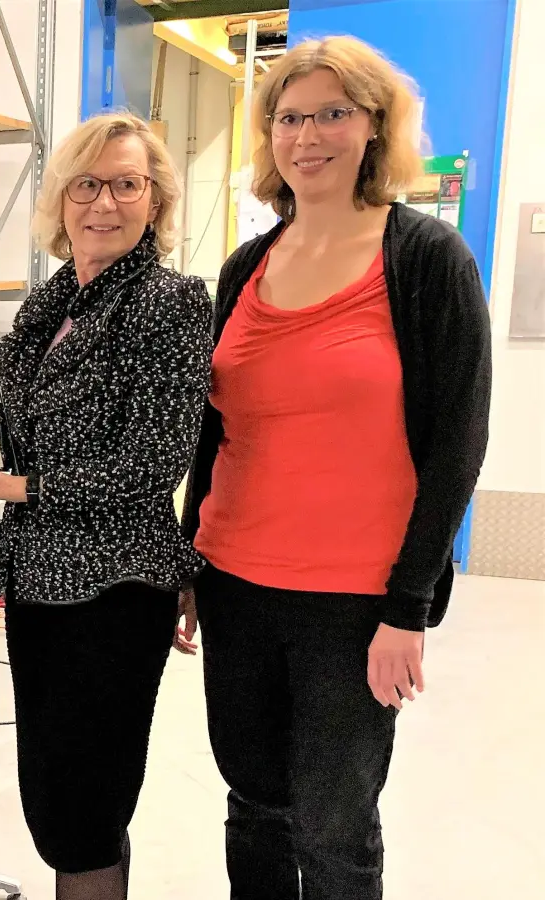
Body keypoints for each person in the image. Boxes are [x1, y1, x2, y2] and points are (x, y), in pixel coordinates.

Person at [0, 113, 211, 900]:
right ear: (60, 200)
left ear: (154, 199)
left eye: (127, 184)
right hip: (41, 585)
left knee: (84, 806)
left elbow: (154, 461)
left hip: (117, 587)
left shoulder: (171, 302)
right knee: (57, 798)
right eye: (86, 184)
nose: (104, 203)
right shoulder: (47, 308)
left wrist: (20, 491)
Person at [181, 37, 491, 900]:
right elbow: (215, 430)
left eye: (332, 113)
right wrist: (187, 564)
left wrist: (409, 608)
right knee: (252, 802)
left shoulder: (426, 259)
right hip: (236, 579)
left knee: (335, 823)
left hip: (355, 599)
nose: (307, 135)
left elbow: (458, 444)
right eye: (289, 117)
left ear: (374, 127)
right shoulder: (247, 265)